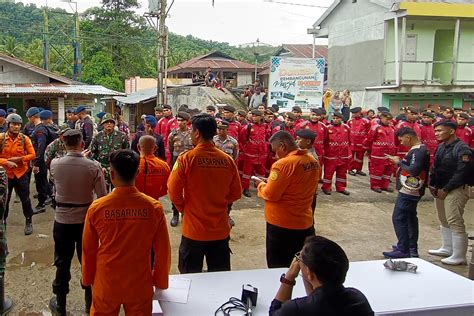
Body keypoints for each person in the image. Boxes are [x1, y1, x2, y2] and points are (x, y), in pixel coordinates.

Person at [82, 149, 171, 315]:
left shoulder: (97, 208)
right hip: (139, 281)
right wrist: (160, 281)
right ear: (137, 173)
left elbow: (88, 249)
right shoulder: (153, 207)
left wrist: (87, 278)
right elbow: (162, 249)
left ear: (112, 174)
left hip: (106, 280)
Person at [167, 114, 241, 274]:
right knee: (219, 277)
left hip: (194, 230)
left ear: (197, 133)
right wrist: (219, 202)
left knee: (190, 277)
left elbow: (173, 191)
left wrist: (184, 209)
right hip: (219, 229)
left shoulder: (186, 159)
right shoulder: (227, 160)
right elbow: (236, 193)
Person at [49, 129, 107, 315]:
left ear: (64, 143)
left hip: (62, 220)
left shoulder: (55, 164)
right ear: (82, 143)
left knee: (62, 262)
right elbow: (102, 197)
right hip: (85, 222)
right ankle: (90, 304)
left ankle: (61, 305)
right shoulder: (93, 166)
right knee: (88, 263)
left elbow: (59, 179)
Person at [256, 131, 320, 268]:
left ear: (283, 146)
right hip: (305, 222)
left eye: (275, 150)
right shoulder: (312, 161)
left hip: (282, 225)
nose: (275, 155)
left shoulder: (283, 164)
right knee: (302, 264)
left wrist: (261, 185)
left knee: (278, 266)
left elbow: (271, 194)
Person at [269, 235, 374, 316]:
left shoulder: (295, 309)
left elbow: (275, 313)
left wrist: (289, 278)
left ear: (310, 272)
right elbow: (318, 299)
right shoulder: (358, 299)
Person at [428, 120, 472, 265]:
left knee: (454, 220)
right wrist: (432, 184)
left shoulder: (462, 149)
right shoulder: (441, 147)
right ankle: (447, 248)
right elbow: (435, 167)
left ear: (452, 131)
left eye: (440, 130)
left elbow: (462, 172)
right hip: (440, 189)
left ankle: (459, 255)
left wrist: (446, 189)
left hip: (456, 189)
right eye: (436, 131)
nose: (437, 133)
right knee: (443, 218)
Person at [382, 127, 430, 259]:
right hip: (410, 189)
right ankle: (409, 247)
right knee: (409, 218)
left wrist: (399, 163)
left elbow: (413, 170)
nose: (401, 143)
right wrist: (401, 161)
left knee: (399, 217)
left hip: (410, 190)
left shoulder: (418, 151)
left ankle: (404, 249)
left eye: (402, 140)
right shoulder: (417, 150)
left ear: (408, 137)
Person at [0, 114, 36, 235]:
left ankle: (29, 221)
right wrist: (7, 162)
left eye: (18, 125)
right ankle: (3, 222)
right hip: (5, 174)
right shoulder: (1, 138)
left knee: (25, 199)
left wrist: (20, 159)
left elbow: (32, 154)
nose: (16, 127)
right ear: (8, 125)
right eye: (13, 124)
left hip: (21, 173)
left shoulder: (24, 138)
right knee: (5, 200)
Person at [89, 113, 129, 190]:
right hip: (102, 169)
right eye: (107, 122)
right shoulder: (97, 137)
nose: (109, 124)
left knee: (118, 193)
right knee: (103, 194)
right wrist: (97, 167)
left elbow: (127, 152)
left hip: (117, 169)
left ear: (114, 124)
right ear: (103, 124)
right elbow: (92, 153)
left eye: (111, 122)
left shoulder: (122, 136)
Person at [168, 111, 193, 227]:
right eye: (178, 120)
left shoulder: (193, 133)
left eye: (183, 120)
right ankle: (175, 214)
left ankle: (187, 213)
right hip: (177, 162)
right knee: (175, 187)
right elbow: (170, 147)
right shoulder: (173, 134)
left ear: (187, 122)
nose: (180, 122)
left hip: (190, 163)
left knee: (190, 188)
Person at [214, 120, 240, 227]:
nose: (220, 131)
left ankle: (227, 215)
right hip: (214, 173)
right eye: (219, 129)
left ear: (227, 130)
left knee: (227, 195)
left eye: (223, 129)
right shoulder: (212, 141)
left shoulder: (233, 142)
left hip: (227, 173)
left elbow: (235, 156)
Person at [31, 110, 57, 214]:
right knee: (45, 180)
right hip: (46, 158)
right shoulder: (50, 127)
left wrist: (36, 163)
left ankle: (41, 204)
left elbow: (41, 147)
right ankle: (50, 195)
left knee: (40, 181)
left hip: (41, 159)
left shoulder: (41, 129)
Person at [364, 112, 396, 193]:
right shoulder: (375, 128)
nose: (389, 121)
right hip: (378, 153)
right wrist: (368, 149)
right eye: (387, 119)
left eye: (390, 119)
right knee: (377, 170)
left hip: (389, 154)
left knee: (388, 170)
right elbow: (369, 139)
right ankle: (375, 185)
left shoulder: (392, 128)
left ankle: (385, 185)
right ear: (381, 118)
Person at [321, 112, 351, 195]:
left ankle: (341, 188)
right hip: (331, 155)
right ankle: (326, 187)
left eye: (337, 118)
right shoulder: (327, 128)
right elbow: (324, 141)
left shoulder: (346, 127)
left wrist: (349, 153)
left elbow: (349, 141)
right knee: (328, 172)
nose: (335, 120)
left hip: (343, 155)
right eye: (334, 118)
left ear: (341, 119)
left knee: (342, 173)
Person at [239, 110, 267, 197]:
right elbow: (242, 139)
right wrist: (246, 149)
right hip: (250, 154)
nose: (254, 117)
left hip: (261, 154)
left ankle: (260, 186)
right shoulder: (248, 127)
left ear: (261, 117)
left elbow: (267, 137)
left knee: (261, 171)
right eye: (253, 116)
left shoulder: (265, 126)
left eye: (256, 116)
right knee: (247, 172)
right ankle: (245, 188)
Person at [135, 135, 170, 201]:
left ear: (138, 147)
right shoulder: (164, 166)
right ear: (155, 147)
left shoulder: (132, 165)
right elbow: (167, 187)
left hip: (135, 204)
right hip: (154, 203)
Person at [348, 107, 370, 176]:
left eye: (355, 113)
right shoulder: (350, 121)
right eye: (353, 113)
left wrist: (366, 142)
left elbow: (369, 132)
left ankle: (358, 169)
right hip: (352, 143)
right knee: (351, 157)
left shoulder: (366, 121)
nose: (353, 114)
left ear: (359, 113)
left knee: (360, 158)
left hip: (361, 143)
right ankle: (350, 169)